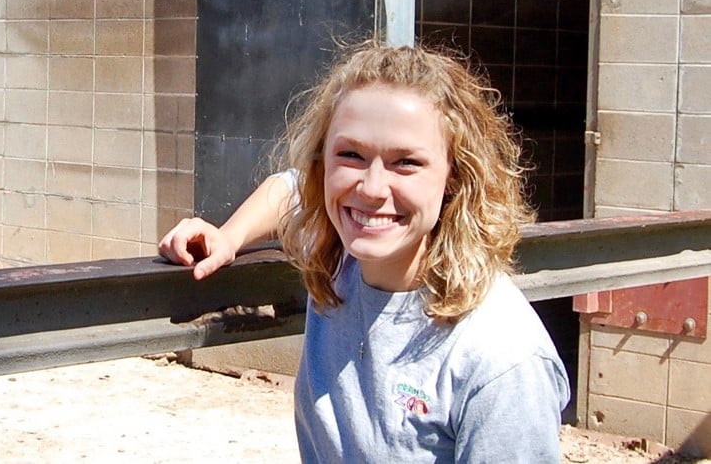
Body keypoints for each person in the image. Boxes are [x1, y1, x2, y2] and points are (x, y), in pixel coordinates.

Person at [159, 41, 569, 462]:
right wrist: (228, 237)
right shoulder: (341, 254)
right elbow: (289, 188)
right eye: (351, 155)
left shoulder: (500, 359)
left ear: (455, 177)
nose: (371, 189)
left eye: (405, 162)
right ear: (324, 164)